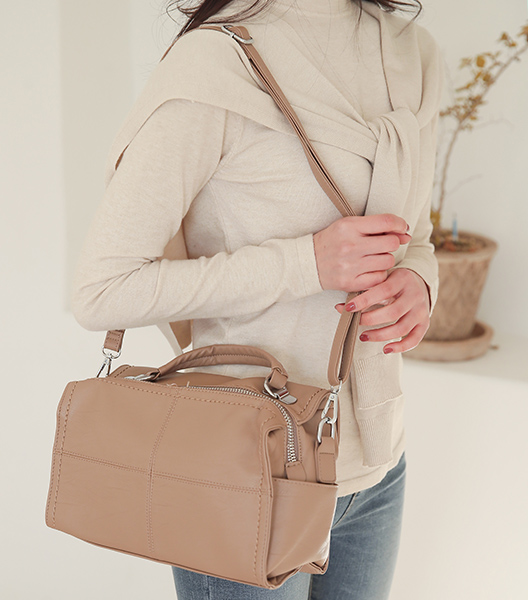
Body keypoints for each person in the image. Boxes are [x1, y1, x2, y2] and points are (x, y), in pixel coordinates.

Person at [71, 0, 444, 598]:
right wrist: (305, 263)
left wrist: (420, 282)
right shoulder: (216, 65)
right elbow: (102, 290)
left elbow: (415, 236)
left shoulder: (412, 55)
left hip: (376, 464)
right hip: (242, 471)